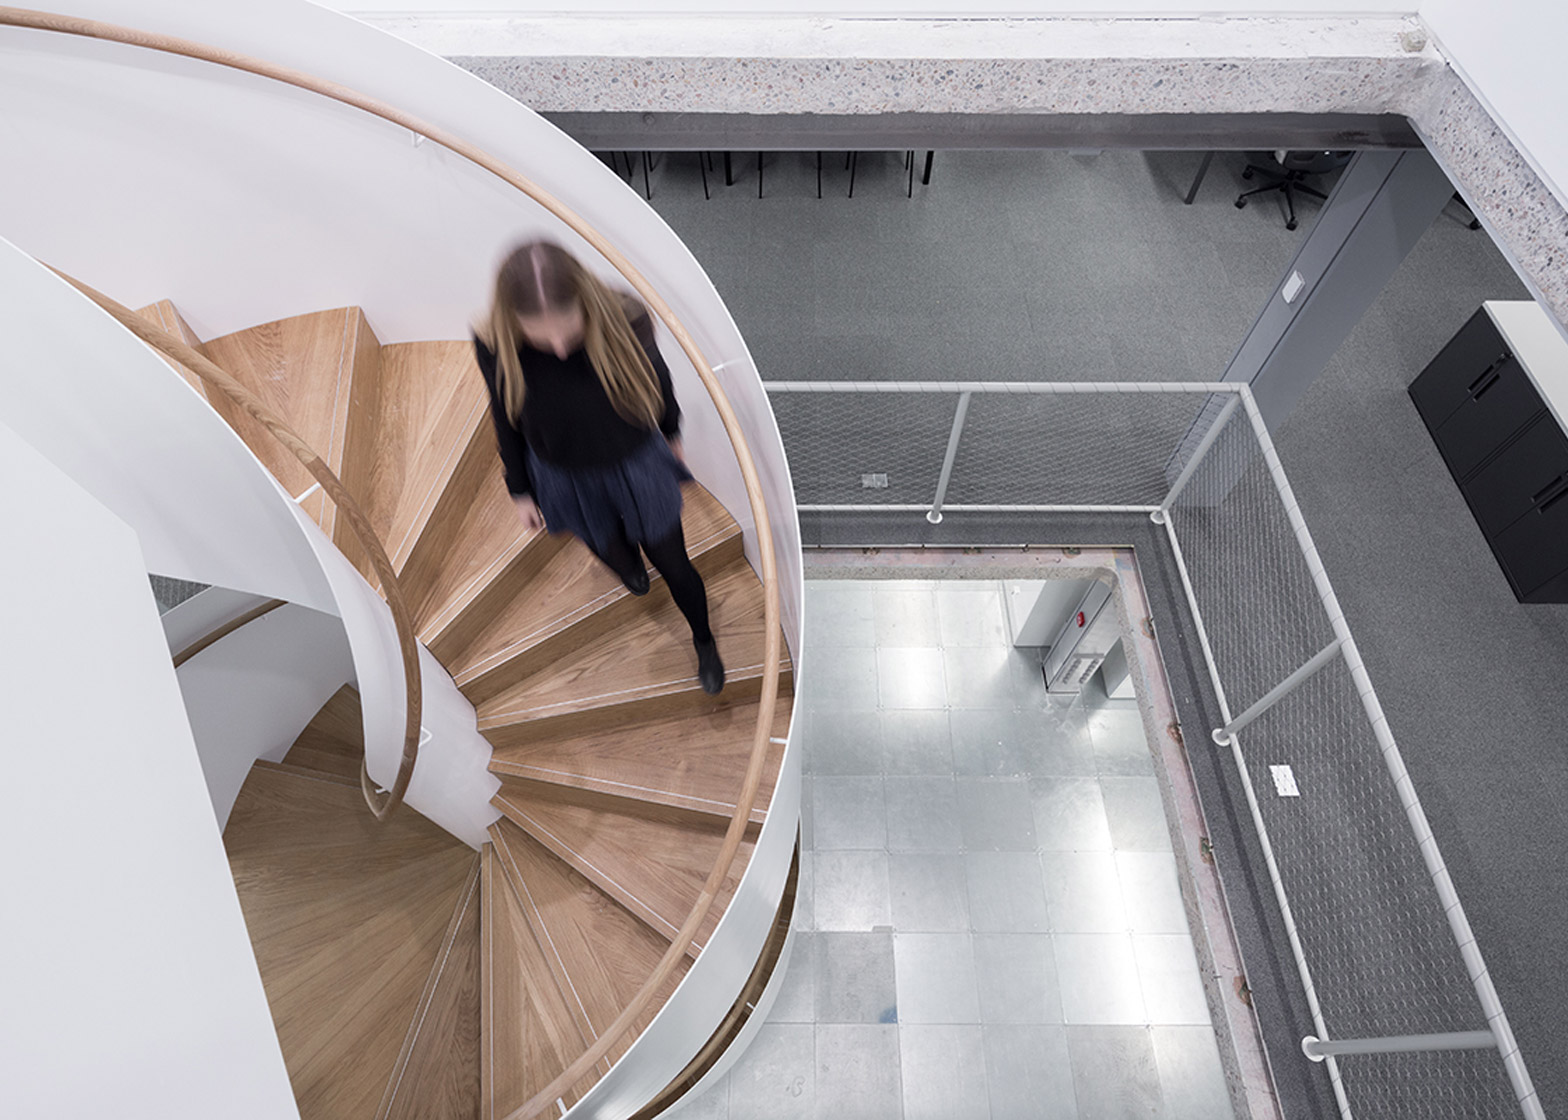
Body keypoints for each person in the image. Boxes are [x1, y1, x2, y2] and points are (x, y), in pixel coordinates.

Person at [472, 239, 724, 694]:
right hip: (561, 475)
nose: (559, 349)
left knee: (675, 564)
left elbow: (658, 380)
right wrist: (519, 489)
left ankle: (704, 641)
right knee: (610, 552)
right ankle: (630, 571)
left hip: (635, 462)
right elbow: (504, 415)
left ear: (586, 305)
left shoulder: (626, 319)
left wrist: (672, 433)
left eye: (569, 334)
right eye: (540, 338)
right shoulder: (494, 343)